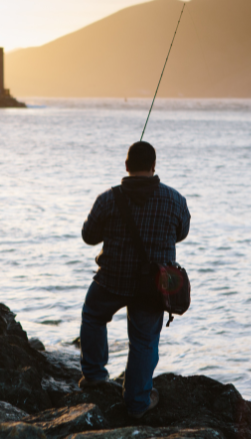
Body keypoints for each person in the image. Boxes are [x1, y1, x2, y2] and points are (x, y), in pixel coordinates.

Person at [79, 141, 191, 418]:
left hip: (112, 279)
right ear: (154, 166)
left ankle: (94, 375)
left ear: (127, 166)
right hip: (153, 285)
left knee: (93, 316)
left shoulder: (108, 198)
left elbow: (88, 236)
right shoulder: (175, 200)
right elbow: (182, 233)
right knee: (143, 341)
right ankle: (138, 401)